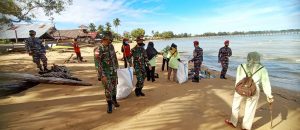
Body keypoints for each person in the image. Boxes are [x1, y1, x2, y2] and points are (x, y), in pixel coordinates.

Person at [225, 52, 274, 130]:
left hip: (240, 87)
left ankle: (233, 121)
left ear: (248, 57)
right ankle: (245, 127)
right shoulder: (262, 69)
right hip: (254, 90)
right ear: (258, 58)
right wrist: (269, 95)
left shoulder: (241, 66)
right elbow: (265, 83)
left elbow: (238, 79)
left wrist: (237, 88)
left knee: (235, 105)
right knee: (250, 109)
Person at [95, 31, 119, 113]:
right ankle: (109, 105)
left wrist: (117, 67)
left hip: (113, 71)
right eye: (109, 39)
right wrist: (102, 75)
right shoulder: (98, 49)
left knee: (114, 86)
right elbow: (98, 64)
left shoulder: (111, 46)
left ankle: (114, 100)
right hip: (105, 73)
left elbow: (114, 57)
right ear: (104, 39)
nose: (110, 41)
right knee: (108, 89)